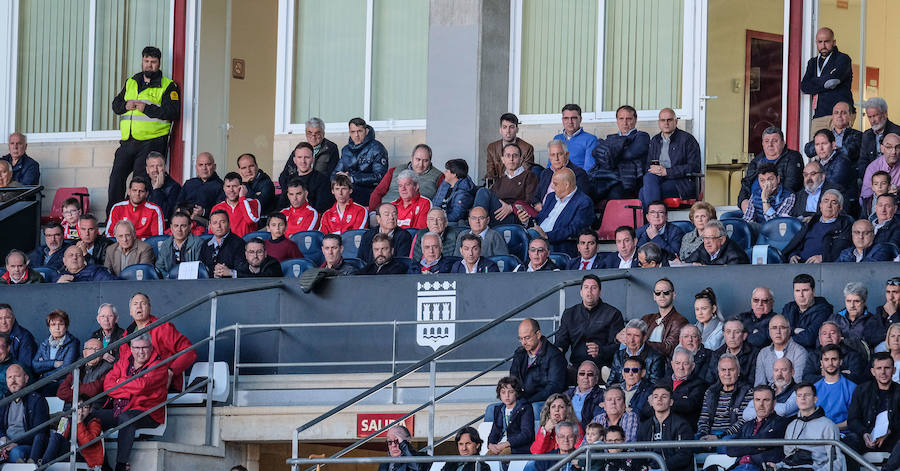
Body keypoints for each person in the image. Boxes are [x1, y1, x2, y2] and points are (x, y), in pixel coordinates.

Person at [107, 46, 180, 217]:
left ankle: (132, 216)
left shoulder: (168, 85)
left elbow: (173, 112)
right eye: (146, 61)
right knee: (116, 178)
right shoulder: (132, 81)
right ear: (142, 61)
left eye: (153, 62)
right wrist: (125, 105)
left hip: (152, 142)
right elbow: (115, 105)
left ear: (159, 64)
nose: (149, 65)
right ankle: (113, 216)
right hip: (128, 140)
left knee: (139, 182)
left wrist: (146, 108)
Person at [100, 333, 168, 471]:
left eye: (144, 348)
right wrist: (130, 387)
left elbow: (143, 385)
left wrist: (120, 382)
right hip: (120, 409)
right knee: (91, 417)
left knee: (127, 418)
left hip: (148, 412)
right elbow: (108, 386)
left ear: (151, 347)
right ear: (131, 348)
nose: (140, 352)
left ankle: (121, 465)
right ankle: (103, 465)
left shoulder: (159, 365)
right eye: (136, 348)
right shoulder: (124, 360)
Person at [121, 292, 196, 392]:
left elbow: (190, 351)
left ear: (149, 308)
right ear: (130, 311)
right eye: (135, 304)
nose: (139, 306)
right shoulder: (126, 334)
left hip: (159, 382)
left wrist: (171, 371)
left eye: (143, 303)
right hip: (134, 384)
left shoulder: (162, 327)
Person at [517, 168, 593, 257]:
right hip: (537, 239)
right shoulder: (551, 197)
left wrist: (547, 236)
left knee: (525, 240)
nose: (552, 187)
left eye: (555, 184)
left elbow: (574, 230)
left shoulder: (584, 202)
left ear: (566, 185)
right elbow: (539, 220)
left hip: (557, 244)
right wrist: (526, 220)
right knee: (517, 233)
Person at [769, 382, 844, 470]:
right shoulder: (791, 426)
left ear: (815, 399)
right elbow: (789, 457)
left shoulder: (828, 425)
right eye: (799, 395)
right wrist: (777, 466)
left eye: (807, 395)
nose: (803, 398)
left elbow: (837, 461)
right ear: (796, 400)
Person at [639, 108, 701, 210]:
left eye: (669, 120)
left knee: (644, 192)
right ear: (659, 123)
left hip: (682, 182)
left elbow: (694, 166)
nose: (666, 123)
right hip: (658, 179)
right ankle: (655, 219)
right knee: (649, 177)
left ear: (676, 121)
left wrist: (667, 172)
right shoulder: (655, 140)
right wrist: (655, 170)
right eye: (663, 120)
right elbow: (648, 166)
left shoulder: (687, 139)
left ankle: (652, 222)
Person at [556, 275, 625, 368]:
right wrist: (557, 351)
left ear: (600, 292)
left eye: (594, 288)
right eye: (586, 287)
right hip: (577, 367)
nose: (589, 291)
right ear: (581, 292)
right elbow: (561, 341)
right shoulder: (569, 313)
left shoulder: (613, 314)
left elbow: (618, 346)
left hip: (604, 367)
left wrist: (601, 351)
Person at [800, 27, 855, 134]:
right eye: (820, 42)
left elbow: (833, 81)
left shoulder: (843, 58)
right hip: (819, 115)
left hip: (840, 114)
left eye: (827, 41)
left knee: (839, 148)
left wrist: (815, 82)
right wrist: (825, 80)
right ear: (816, 43)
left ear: (833, 42)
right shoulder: (812, 62)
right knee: (816, 149)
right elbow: (804, 87)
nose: (823, 45)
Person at [589, 106, 650, 200]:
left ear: (635, 120)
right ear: (617, 120)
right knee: (586, 193)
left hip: (628, 182)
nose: (625, 123)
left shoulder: (642, 136)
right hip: (606, 178)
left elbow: (630, 154)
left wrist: (611, 154)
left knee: (614, 195)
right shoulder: (610, 138)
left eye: (629, 119)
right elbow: (597, 154)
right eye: (621, 119)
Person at [738, 127, 804, 212]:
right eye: (766, 141)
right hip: (753, 206)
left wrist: (766, 200)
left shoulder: (793, 158)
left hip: (777, 206)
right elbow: (746, 184)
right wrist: (743, 201)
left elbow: (792, 185)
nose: (770, 144)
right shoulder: (756, 161)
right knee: (727, 217)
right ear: (762, 144)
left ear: (783, 143)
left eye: (775, 141)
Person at [0, 364, 55, 464]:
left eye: (17, 376)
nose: (13, 380)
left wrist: (16, 443)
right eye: (10, 377)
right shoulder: (4, 401)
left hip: (27, 445)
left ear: (26, 378)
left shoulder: (37, 400)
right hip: (6, 443)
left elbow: (39, 431)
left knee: (16, 453)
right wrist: (3, 438)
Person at [846, 352, 900, 453]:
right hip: (866, 436)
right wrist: (864, 433)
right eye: (879, 368)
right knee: (850, 440)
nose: (883, 372)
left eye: (887, 368)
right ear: (872, 371)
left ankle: (887, 469)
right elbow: (853, 419)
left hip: (893, 438)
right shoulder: (861, 390)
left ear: (894, 370)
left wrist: (889, 431)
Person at [725, 385, 790, 470]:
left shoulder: (782, 422)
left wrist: (744, 448)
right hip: (740, 467)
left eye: (766, 400)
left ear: (774, 403)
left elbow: (766, 440)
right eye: (757, 400)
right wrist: (759, 445)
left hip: (761, 467)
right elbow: (730, 449)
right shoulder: (747, 425)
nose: (761, 404)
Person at [473, 143, 538, 226]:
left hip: (516, 216)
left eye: (515, 155)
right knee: (482, 193)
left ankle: (475, 226)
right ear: (503, 160)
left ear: (521, 159)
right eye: (508, 156)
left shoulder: (529, 176)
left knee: (483, 191)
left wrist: (511, 207)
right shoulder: (500, 180)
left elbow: (531, 201)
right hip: (497, 215)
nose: (511, 159)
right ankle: (475, 224)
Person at [646, 346, 708, 431]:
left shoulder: (700, 384)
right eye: (678, 363)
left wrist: (661, 401)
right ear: (672, 364)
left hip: (683, 430)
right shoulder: (660, 383)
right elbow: (645, 409)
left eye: (685, 364)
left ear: (692, 366)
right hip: (658, 429)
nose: (681, 367)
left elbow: (690, 405)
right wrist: (677, 401)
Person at [783, 189, 853, 263]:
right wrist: (793, 255)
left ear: (840, 208)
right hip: (800, 264)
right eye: (826, 201)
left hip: (824, 267)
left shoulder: (845, 225)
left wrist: (824, 257)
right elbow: (797, 244)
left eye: (834, 202)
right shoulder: (812, 222)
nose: (829, 205)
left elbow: (842, 248)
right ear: (820, 205)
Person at [635, 385, 694, 471]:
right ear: (651, 402)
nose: (659, 399)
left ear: (671, 402)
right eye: (655, 397)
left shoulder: (682, 425)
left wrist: (658, 467)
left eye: (664, 396)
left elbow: (684, 455)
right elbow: (639, 453)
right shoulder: (644, 426)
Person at [697, 354, 753, 440]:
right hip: (710, 433)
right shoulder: (710, 392)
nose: (727, 373)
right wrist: (703, 434)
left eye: (731, 370)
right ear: (718, 372)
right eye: (723, 370)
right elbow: (704, 418)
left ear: (738, 372)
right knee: (693, 440)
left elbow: (742, 421)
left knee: (725, 442)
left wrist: (719, 437)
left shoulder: (746, 392)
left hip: (731, 435)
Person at [370, 144, 443, 209]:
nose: (421, 164)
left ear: (430, 161)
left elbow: (440, 201)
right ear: (412, 158)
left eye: (425, 161)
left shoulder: (439, 176)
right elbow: (378, 192)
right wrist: (373, 212)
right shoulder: (394, 171)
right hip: (387, 212)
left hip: (417, 215)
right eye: (418, 159)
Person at [334, 117, 389, 205]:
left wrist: (352, 178)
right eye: (353, 132)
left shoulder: (377, 148)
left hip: (369, 195)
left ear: (366, 131)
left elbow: (380, 176)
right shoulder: (346, 150)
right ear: (349, 133)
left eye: (359, 131)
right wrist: (340, 182)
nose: (356, 135)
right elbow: (336, 173)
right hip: (348, 195)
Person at [510, 319, 566, 404]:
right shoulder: (519, 353)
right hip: (523, 400)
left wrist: (528, 401)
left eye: (527, 338)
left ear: (538, 334)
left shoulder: (555, 355)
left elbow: (553, 387)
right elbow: (513, 380)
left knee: (534, 408)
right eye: (521, 339)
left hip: (546, 402)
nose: (523, 343)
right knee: (491, 409)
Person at [32, 310, 81, 396]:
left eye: (60, 324)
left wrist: (44, 371)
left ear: (66, 326)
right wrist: (54, 363)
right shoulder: (45, 343)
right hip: (45, 383)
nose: (57, 328)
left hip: (62, 382)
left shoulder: (73, 343)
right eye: (53, 325)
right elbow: (35, 366)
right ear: (49, 327)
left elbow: (65, 369)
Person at [780, 274, 834, 350]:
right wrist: (795, 330)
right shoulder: (788, 308)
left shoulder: (824, 310)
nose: (801, 295)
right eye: (797, 291)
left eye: (805, 290)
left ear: (813, 291)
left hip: (809, 355)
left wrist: (788, 334)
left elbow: (809, 339)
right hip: (786, 352)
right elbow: (778, 332)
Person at [804, 322, 868, 385]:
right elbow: (806, 378)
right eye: (824, 333)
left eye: (832, 333)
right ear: (820, 339)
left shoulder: (852, 355)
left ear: (840, 337)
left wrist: (830, 374)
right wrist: (838, 375)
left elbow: (857, 378)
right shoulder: (813, 356)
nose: (828, 336)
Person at [802, 101, 863, 168]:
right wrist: (832, 148)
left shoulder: (858, 135)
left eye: (843, 113)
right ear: (832, 116)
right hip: (823, 172)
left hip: (846, 172)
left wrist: (825, 149)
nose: (839, 116)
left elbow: (849, 152)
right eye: (836, 113)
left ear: (850, 116)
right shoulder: (826, 134)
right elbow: (808, 150)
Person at [533, 140, 590, 210]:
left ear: (567, 155)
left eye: (559, 154)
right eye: (552, 155)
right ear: (549, 157)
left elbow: (580, 202)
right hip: (541, 212)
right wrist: (538, 205)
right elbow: (536, 197)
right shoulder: (546, 173)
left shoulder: (579, 174)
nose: (556, 159)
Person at [278, 142, 334, 213]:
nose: (303, 161)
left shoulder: (322, 180)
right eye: (299, 157)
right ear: (294, 160)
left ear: (313, 160)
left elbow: (322, 209)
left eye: (307, 157)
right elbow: (281, 206)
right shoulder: (288, 180)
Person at [56, 338, 113, 407]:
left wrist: (74, 389)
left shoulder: (108, 367)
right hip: (75, 406)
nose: (93, 352)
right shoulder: (78, 366)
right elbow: (61, 392)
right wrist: (83, 391)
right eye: (90, 349)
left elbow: (95, 389)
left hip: (95, 408)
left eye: (97, 349)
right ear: (84, 353)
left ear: (102, 354)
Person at [809, 129, 858, 210]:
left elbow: (831, 187)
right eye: (817, 144)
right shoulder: (817, 163)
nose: (820, 148)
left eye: (824, 144)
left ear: (833, 145)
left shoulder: (843, 161)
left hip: (842, 208)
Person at [639, 278, 688, 358]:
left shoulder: (680, 321)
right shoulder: (646, 318)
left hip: (663, 366)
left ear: (673, 295)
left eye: (666, 292)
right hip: (641, 363)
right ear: (654, 296)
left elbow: (669, 348)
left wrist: (639, 342)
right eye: (658, 293)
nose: (662, 296)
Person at [811, 344, 856, 430]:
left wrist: (830, 429)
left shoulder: (852, 388)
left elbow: (854, 420)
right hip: (816, 434)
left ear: (840, 362)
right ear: (821, 363)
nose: (830, 363)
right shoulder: (813, 388)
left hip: (842, 435)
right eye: (826, 360)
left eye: (834, 359)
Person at [608, 319, 665, 386]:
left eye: (636, 336)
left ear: (644, 338)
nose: (632, 340)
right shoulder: (618, 355)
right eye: (629, 335)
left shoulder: (656, 358)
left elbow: (654, 386)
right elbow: (610, 383)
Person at [831, 281, 886, 349]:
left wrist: (844, 341)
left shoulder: (872, 321)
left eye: (856, 301)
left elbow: (869, 346)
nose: (852, 305)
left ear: (864, 302)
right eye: (848, 301)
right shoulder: (835, 318)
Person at [487, 376, 534, 456]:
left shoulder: (525, 408)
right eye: (503, 392)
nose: (507, 396)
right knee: (486, 458)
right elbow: (494, 432)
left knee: (502, 456)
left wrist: (506, 444)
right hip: (501, 445)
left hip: (518, 447)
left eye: (511, 392)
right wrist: (490, 444)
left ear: (516, 393)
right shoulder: (499, 409)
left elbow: (526, 434)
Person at [755, 315, 806, 386]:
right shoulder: (763, 353)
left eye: (782, 328)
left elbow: (797, 384)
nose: (778, 332)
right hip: (769, 395)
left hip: (792, 395)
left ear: (789, 331)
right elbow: (759, 385)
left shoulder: (800, 352)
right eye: (774, 328)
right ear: (769, 331)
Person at [176, 152, 226, 222]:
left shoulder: (221, 186)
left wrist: (203, 212)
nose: (204, 168)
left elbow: (222, 210)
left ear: (214, 167)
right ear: (196, 167)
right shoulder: (189, 183)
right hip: (184, 222)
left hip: (207, 224)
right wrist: (183, 210)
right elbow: (177, 204)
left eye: (208, 164)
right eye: (200, 165)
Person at [487, 113, 536, 181]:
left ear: (517, 129)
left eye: (511, 127)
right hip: (497, 186)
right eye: (505, 127)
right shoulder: (492, 147)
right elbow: (490, 174)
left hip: (518, 186)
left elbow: (524, 174)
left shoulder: (527, 148)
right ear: (500, 130)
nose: (508, 131)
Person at [210, 172, 261, 237]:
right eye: (228, 186)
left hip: (246, 245)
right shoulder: (217, 208)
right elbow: (212, 232)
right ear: (224, 188)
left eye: (235, 186)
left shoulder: (254, 203)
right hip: (226, 245)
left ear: (242, 187)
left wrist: (242, 197)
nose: (231, 190)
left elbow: (250, 220)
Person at [859, 99, 900, 179]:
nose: (872, 120)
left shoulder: (897, 132)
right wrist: (870, 178)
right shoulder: (866, 135)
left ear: (885, 114)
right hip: (872, 177)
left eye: (875, 115)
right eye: (869, 117)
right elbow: (862, 161)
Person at [156, 211, 205, 278]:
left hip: (192, 283)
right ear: (171, 227)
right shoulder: (165, 244)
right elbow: (159, 268)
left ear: (190, 226)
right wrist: (169, 278)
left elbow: (200, 268)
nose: (179, 229)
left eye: (183, 226)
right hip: (170, 283)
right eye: (176, 226)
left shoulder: (198, 243)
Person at [199, 210, 246, 277]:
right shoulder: (206, 244)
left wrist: (230, 272)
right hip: (209, 284)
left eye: (222, 222)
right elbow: (201, 268)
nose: (219, 226)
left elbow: (242, 270)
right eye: (215, 223)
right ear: (210, 226)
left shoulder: (239, 243)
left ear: (229, 224)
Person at [684, 220, 749, 265]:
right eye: (705, 238)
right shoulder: (703, 247)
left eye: (711, 237)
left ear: (722, 240)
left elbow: (731, 277)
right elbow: (688, 262)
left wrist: (703, 269)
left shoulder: (735, 254)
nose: (707, 242)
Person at [553, 104, 597, 171]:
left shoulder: (590, 140)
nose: (570, 122)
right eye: (566, 118)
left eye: (573, 118)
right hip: (556, 178)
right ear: (562, 120)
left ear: (580, 119)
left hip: (577, 179)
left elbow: (589, 169)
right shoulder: (557, 139)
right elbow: (550, 165)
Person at [432, 159, 476, 225]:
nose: (444, 173)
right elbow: (435, 205)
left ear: (454, 174)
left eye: (447, 171)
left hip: (453, 225)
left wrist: (440, 220)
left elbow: (456, 215)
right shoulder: (446, 185)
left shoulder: (463, 192)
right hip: (440, 221)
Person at [716, 319, 759, 384]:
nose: (732, 336)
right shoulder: (716, 354)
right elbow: (712, 380)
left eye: (736, 332)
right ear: (724, 335)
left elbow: (751, 381)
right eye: (728, 332)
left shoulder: (755, 354)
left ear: (744, 336)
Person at [565, 361, 605, 429]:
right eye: (582, 373)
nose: (585, 377)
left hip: (587, 432)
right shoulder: (567, 394)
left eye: (590, 374)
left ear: (596, 379)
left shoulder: (602, 396)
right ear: (577, 378)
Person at [863, 132, 900, 202]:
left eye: (897, 147)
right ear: (882, 148)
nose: (894, 152)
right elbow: (865, 197)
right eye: (889, 147)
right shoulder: (873, 168)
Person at [145, 151, 181, 221]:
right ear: (147, 170)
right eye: (152, 166)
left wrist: (157, 190)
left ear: (165, 168)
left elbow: (165, 214)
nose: (155, 170)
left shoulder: (174, 187)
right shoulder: (142, 185)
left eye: (159, 166)